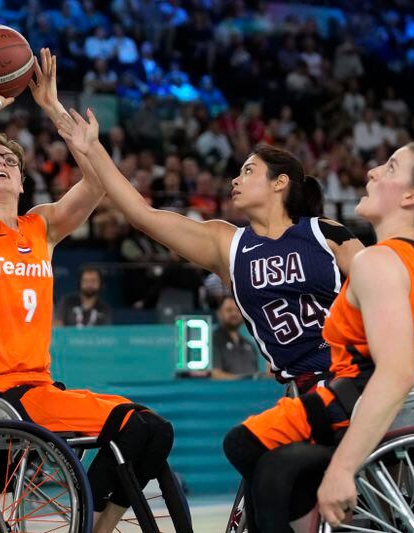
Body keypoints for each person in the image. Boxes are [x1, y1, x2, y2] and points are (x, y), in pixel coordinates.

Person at [214, 143, 414, 531]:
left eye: (389, 168)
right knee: (279, 464)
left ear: (412, 196)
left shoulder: (376, 261)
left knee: (251, 450)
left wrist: (342, 470)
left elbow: (396, 374)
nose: (372, 172)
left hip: (369, 404)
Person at [0, 49, 173, 532]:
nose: (1, 162)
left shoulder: (40, 226)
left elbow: (97, 182)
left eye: (10, 160)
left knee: (153, 431)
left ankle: (93, 524)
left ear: (24, 182)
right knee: (144, 426)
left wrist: (52, 107)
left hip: (40, 390)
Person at [57, 110, 363, 393]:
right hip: (302, 385)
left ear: (279, 182)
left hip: (351, 371)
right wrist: (93, 147)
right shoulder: (227, 244)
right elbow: (142, 215)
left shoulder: (323, 231)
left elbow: (379, 284)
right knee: (245, 447)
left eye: (248, 171)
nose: (235, 179)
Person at [212, 296, 259, 380]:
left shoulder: (250, 345)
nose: (234, 313)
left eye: (238, 310)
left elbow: (256, 374)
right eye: (229, 310)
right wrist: (244, 380)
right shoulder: (212, 341)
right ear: (219, 313)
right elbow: (215, 375)